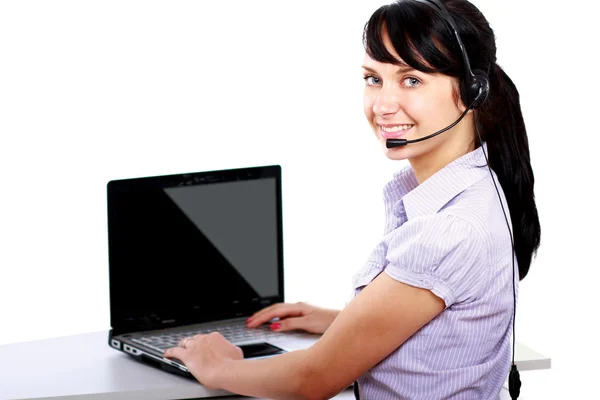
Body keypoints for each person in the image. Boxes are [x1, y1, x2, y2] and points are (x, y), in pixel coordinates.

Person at [164, 0, 541, 398]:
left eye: (411, 80)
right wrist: (341, 323)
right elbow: (442, 339)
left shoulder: (450, 229)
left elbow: (311, 379)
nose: (382, 105)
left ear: (472, 91)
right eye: (373, 78)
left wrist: (216, 367)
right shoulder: (474, 189)